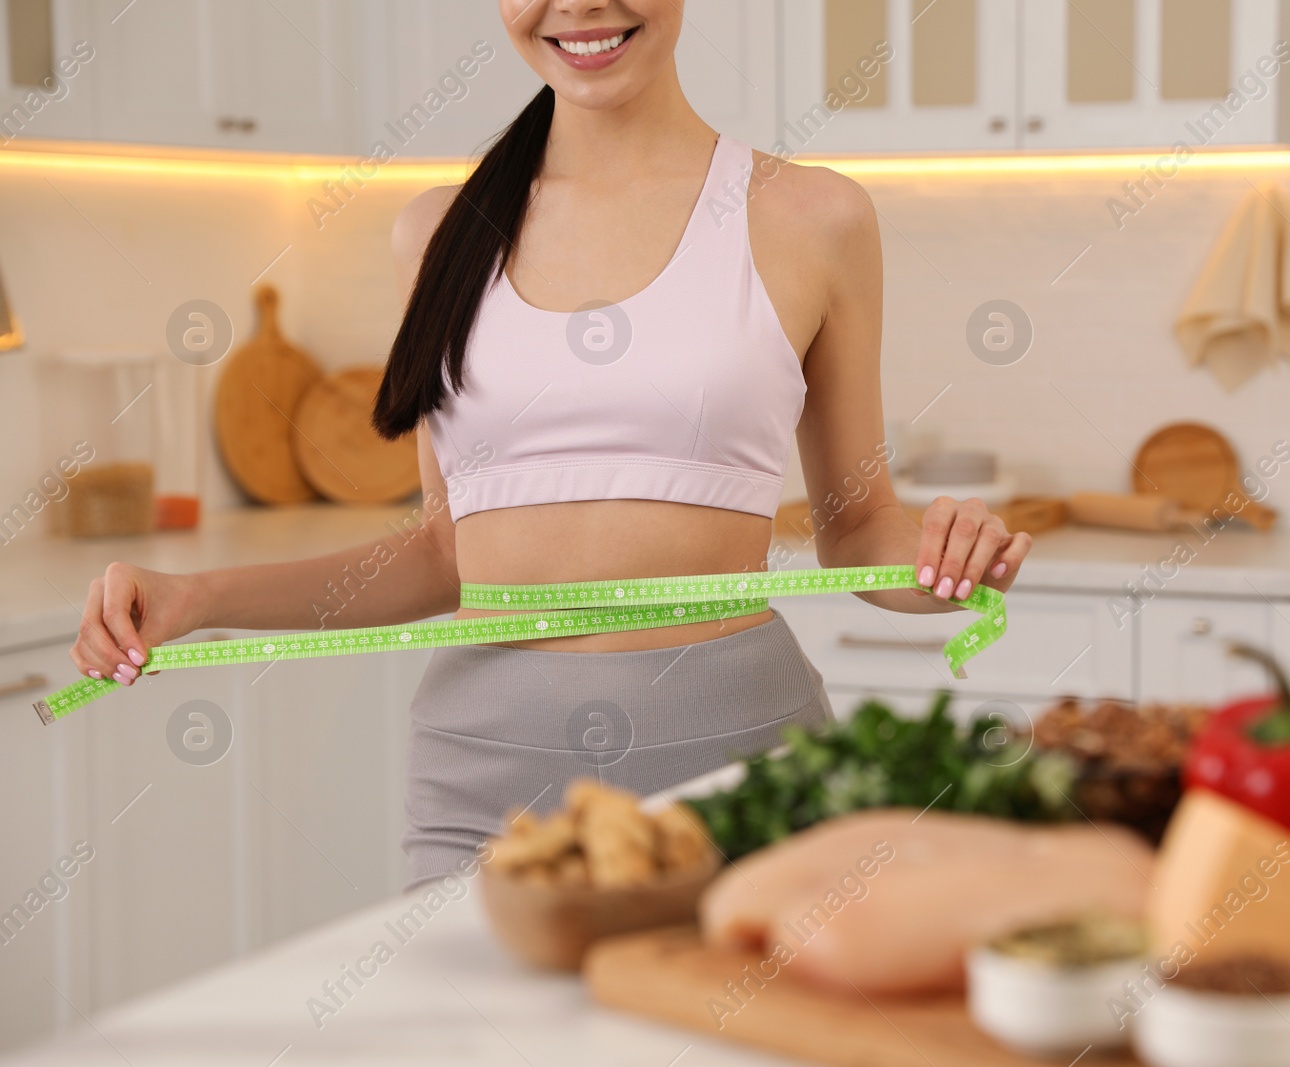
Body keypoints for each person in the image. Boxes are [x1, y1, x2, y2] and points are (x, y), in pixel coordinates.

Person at [69, 0, 1033, 887]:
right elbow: (443, 553)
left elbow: (860, 528)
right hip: (482, 782)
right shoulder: (440, 233)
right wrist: (199, 599)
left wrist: (948, 558)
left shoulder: (813, 217)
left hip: (742, 760)